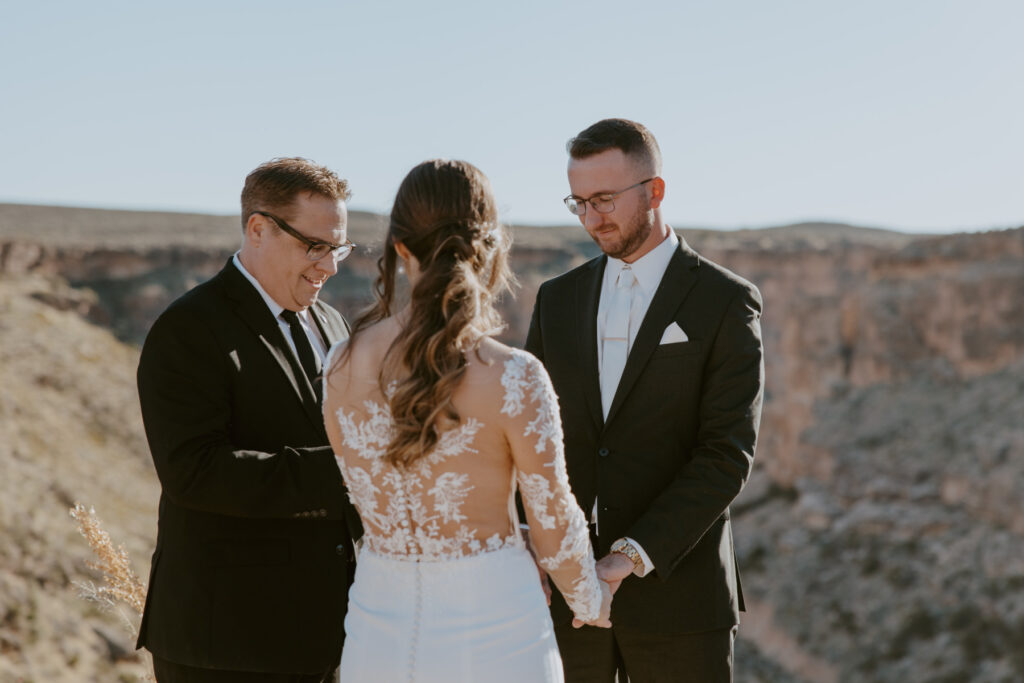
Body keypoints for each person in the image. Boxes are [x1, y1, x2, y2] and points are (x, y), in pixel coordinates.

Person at [322, 159, 613, 683]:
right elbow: (552, 520)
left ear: (400, 248)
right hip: (497, 629)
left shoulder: (339, 365)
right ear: (490, 247)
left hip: (376, 634)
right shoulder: (513, 377)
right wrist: (591, 598)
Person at [525, 118, 764, 682]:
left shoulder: (725, 300)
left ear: (654, 191)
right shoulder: (557, 299)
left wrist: (626, 559)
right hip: (566, 599)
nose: (590, 218)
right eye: (578, 202)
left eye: (604, 199)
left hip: (680, 599)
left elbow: (726, 455)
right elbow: (531, 439)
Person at [136, 157, 361, 682]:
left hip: (331, 635)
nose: (329, 267)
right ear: (258, 228)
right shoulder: (188, 328)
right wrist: (356, 468)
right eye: (316, 246)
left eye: (339, 248)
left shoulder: (331, 321)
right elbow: (195, 472)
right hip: (227, 642)